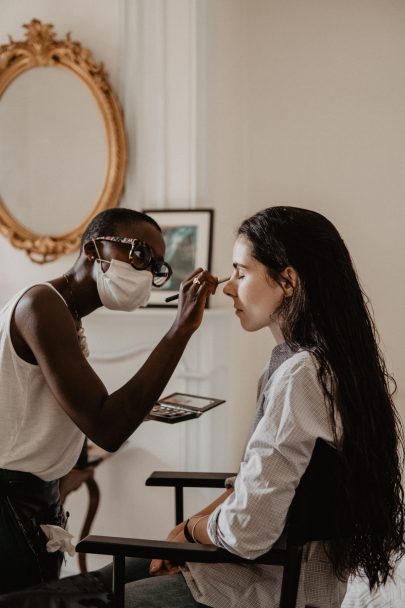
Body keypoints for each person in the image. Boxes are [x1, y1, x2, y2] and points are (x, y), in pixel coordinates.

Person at [1, 206, 404, 608]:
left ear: (288, 280)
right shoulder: (305, 364)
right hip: (253, 565)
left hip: (258, 580)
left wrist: (192, 531)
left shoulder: (299, 374)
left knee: (47, 600)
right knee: (77, 587)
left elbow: (248, 527)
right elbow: (256, 481)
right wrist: (188, 531)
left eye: (240, 273)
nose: (228, 287)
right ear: (94, 250)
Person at [0, 207, 218, 595]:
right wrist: (181, 328)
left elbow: (68, 411)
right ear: (92, 249)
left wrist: (138, 411)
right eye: (140, 254)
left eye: (157, 267)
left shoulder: (64, 313)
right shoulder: (41, 306)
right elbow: (107, 426)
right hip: (10, 501)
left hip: (34, 497)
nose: (148, 273)